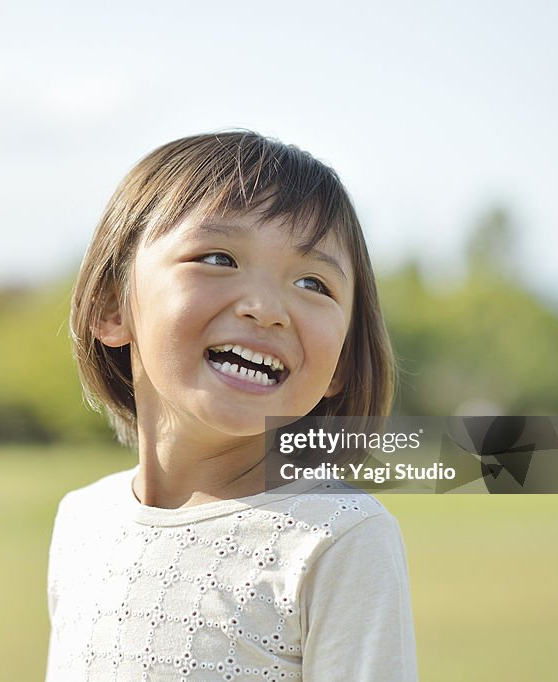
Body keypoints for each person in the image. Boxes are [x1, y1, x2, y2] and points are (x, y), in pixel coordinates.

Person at [46, 131, 417, 680]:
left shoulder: (339, 537)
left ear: (340, 362)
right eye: (218, 257)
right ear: (112, 306)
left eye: (314, 283)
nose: (267, 310)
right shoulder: (82, 521)